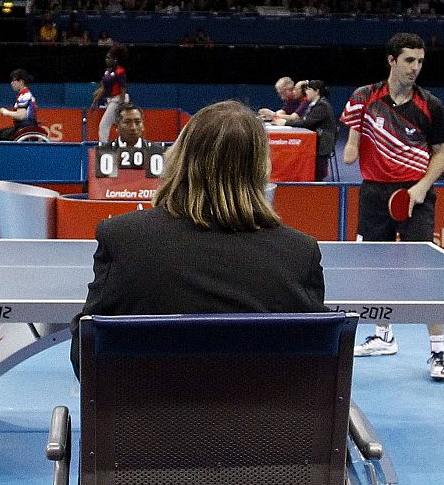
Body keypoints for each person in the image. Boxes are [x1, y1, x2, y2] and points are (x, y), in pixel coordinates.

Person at [71, 100, 326, 375]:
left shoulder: (122, 238)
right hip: (258, 416)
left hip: (149, 417)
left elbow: (84, 358)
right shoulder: (300, 253)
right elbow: (316, 366)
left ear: (179, 159)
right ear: (259, 168)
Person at [342, 33, 444, 380]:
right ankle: (383, 335)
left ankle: (438, 352)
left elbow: (441, 154)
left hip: (414, 195)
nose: (415, 68)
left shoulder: (430, 105)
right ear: (391, 60)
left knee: (425, 273)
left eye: (420, 61)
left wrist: (421, 187)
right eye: (409, 60)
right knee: (373, 269)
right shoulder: (364, 96)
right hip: (375, 194)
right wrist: (352, 148)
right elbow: (354, 136)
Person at [285, 79, 338, 181]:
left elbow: (307, 122)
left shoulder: (322, 105)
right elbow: (305, 120)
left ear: (316, 91)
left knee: (317, 174)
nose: (306, 92)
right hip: (316, 140)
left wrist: (285, 122)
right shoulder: (314, 104)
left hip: (322, 143)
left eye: (308, 89)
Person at [89, 46, 129, 143]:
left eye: (108, 58)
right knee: (119, 125)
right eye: (106, 58)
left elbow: (123, 90)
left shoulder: (120, 72)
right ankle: (125, 143)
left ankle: (103, 146)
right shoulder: (107, 72)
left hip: (119, 100)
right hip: (110, 101)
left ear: (115, 60)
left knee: (104, 124)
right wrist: (95, 101)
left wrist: (121, 106)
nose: (106, 60)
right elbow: (103, 88)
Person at [0, 68, 38, 141]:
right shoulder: (25, 95)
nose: (11, 83)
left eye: (13, 80)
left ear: (21, 82)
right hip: (24, 128)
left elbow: (21, 116)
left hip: (24, 130)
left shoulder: (24, 96)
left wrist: (6, 112)